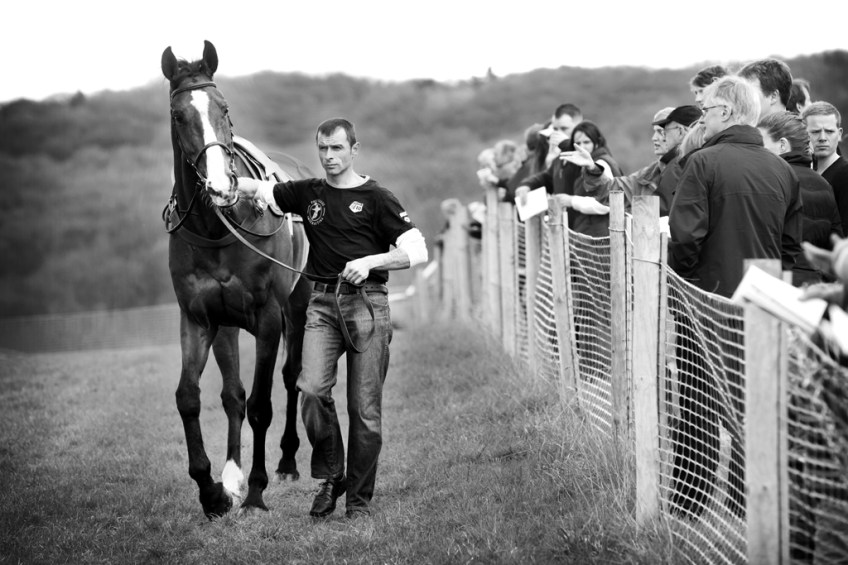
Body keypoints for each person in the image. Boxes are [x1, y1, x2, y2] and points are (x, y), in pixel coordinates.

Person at [235, 118, 428, 519]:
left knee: (364, 410)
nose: (328, 156)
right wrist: (225, 183)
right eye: (322, 148)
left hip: (368, 305)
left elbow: (416, 249)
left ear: (354, 150)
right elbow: (261, 189)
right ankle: (332, 475)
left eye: (337, 148)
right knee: (310, 391)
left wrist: (371, 261)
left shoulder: (377, 198)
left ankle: (358, 501)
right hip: (321, 305)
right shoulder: (308, 194)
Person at [667, 76, 803, 519]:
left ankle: (690, 502)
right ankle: (747, 501)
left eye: (706, 111)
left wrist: (686, 283)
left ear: (725, 112)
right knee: (753, 400)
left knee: (698, 399)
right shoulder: (781, 170)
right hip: (762, 302)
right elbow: (790, 248)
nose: (703, 119)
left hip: (706, 298)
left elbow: (685, 237)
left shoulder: (702, 162)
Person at [559, 105, 701, 217]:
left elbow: (664, 213)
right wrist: (593, 169)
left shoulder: (695, 165)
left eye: (662, 131)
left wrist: (571, 201)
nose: (655, 138)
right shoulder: (653, 171)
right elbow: (615, 191)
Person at [758, 110, 843, 285]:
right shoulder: (824, 184)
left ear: (783, 145)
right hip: (813, 282)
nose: (757, 151)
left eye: (761, 144)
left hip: (776, 282)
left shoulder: (770, 180)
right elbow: (834, 241)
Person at [516, 120, 622, 237]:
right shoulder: (580, 162)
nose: (582, 147)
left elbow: (607, 204)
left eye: (586, 142)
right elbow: (547, 177)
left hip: (600, 235)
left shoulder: (601, 163)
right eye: (578, 143)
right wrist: (526, 184)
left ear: (597, 142)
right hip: (587, 232)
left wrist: (571, 201)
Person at [802, 101, 848, 229]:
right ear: (803, 134)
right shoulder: (804, 172)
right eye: (815, 132)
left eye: (829, 131)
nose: (822, 138)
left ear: (839, 134)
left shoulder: (845, 175)